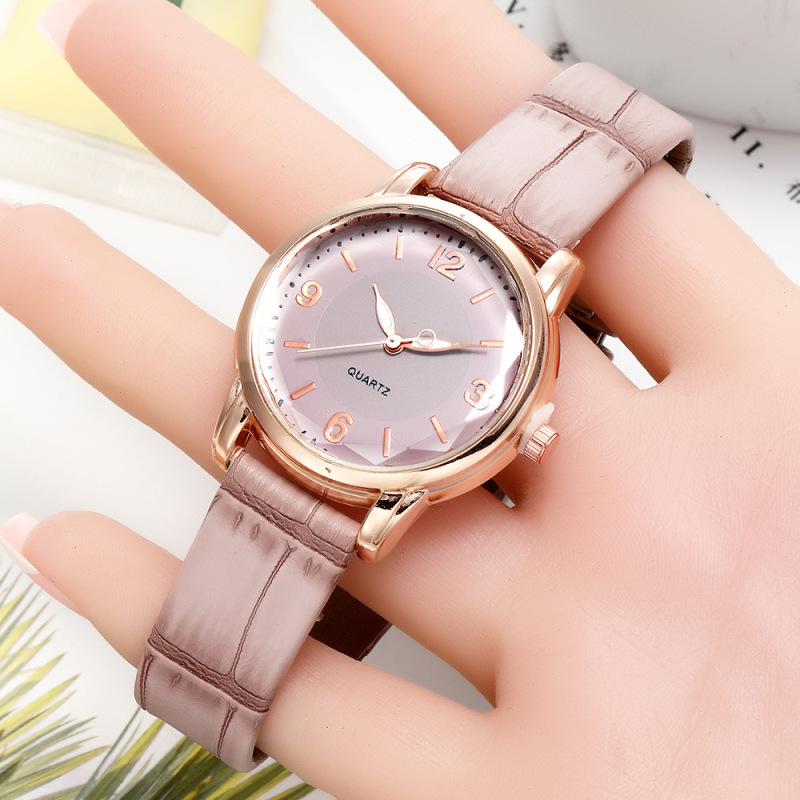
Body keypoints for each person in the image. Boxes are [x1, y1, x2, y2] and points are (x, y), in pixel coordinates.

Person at [2, 0, 799, 796]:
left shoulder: (526, 342)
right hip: (296, 409)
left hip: (386, 465)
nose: (393, 347)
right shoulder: (361, 252)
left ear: (524, 429)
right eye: (392, 338)